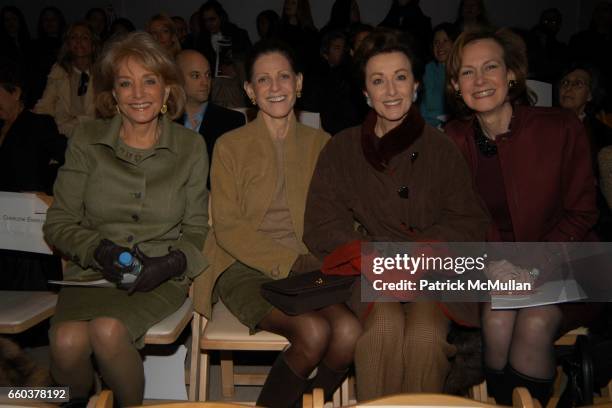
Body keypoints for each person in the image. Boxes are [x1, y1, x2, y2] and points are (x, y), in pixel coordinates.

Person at [303, 28, 489, 401]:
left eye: (400, 78)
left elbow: (469, 222)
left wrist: (422, 251)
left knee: (423, 337)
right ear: (365, 93)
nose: (391, 91)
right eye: (378, 81)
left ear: (417, 85)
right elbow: (322, 224)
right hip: (368, 270)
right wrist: (371, 254)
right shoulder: (342, 148)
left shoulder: (442, 149)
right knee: (383, 330)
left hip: (433, 271)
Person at [42, 32, 209, 407]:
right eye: (125, 83)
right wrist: (98, 249)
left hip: (156, 276)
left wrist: (171, 263)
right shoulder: (87, 139)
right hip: (90, 274)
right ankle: (75, 401)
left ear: (167, 91)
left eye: (149, 81)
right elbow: (59, 222)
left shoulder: (190, 147)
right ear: (112, 94)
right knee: (66, 342)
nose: (138, 93)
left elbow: (198, 229)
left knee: (107, 331)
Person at [194, 39, 360, 407]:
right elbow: (228, 227)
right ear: (250, 91)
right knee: (313, 332)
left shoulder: (321, 143)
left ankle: (303, 403)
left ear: (299, 83)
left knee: (348, 331)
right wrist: (292, 263)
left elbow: (335, 212)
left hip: (307, 265)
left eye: (283, 77)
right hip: (243, 266)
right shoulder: (230, 146)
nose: (275, 87)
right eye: (264, 80)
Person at [445, 27, 600, 406]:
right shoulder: (452, 140)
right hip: (497, 268)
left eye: (490, 67)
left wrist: (531, 267)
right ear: (455, 84)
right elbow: (455, 222)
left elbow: (583, 213)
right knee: (497, 320)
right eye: (467, 72)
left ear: (511, 74)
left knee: (533, 321)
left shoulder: (561, 127)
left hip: (569, 260)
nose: (479, 81)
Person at [0, 58, 66, 290]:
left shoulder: (38, 124)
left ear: (15, 92)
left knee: (29, 300)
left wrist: (46, 191)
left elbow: (69, 159)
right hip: (2, 230)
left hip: (26, 230)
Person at [175, 49, 245, 187]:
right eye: (195, 76)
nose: (204, 82)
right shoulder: (163, 121)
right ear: (177, 79)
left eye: (207, 75)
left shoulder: (232, 121)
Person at [558, 63, 612, 240]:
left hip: (587, 210)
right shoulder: (539, 124)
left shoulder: (602, 133)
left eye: (578, 84)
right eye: (565, 82)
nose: (569, 88)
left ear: (589, 95)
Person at [33, 22, 98, 137]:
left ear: (93, 45)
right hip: (63, 134)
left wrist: (75, 123)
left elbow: (104, 111)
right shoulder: (59, 71)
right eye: (74, 37)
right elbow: (46, 104)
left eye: (84, 37)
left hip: (95, 131)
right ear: (68, 44)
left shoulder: (103, 72)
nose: (78, 41)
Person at [420, 22, 458, 127]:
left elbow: (462, 100)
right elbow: (432, 103)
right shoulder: (429, 69)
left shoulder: (463, 69)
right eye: (436, 42)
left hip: (455, 124)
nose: (440, 46)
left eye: (445, 41)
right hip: (429, 124)